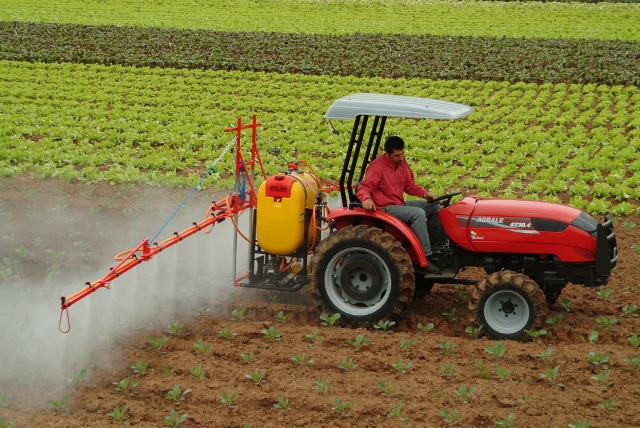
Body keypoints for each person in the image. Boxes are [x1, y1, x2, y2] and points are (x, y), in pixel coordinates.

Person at [356, 135, 446, 273]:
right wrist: (366, 199)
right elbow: (364, 187)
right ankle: (426, 257)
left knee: (435, 207)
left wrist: (425, 194)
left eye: (403, 154)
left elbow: (409, 186)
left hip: (399, 203)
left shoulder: (401, 163)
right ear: (387, 154)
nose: (401, 158)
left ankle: (437, 248)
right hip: (385, 207)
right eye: (397, 155)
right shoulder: (377, 167)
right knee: (418, 213)